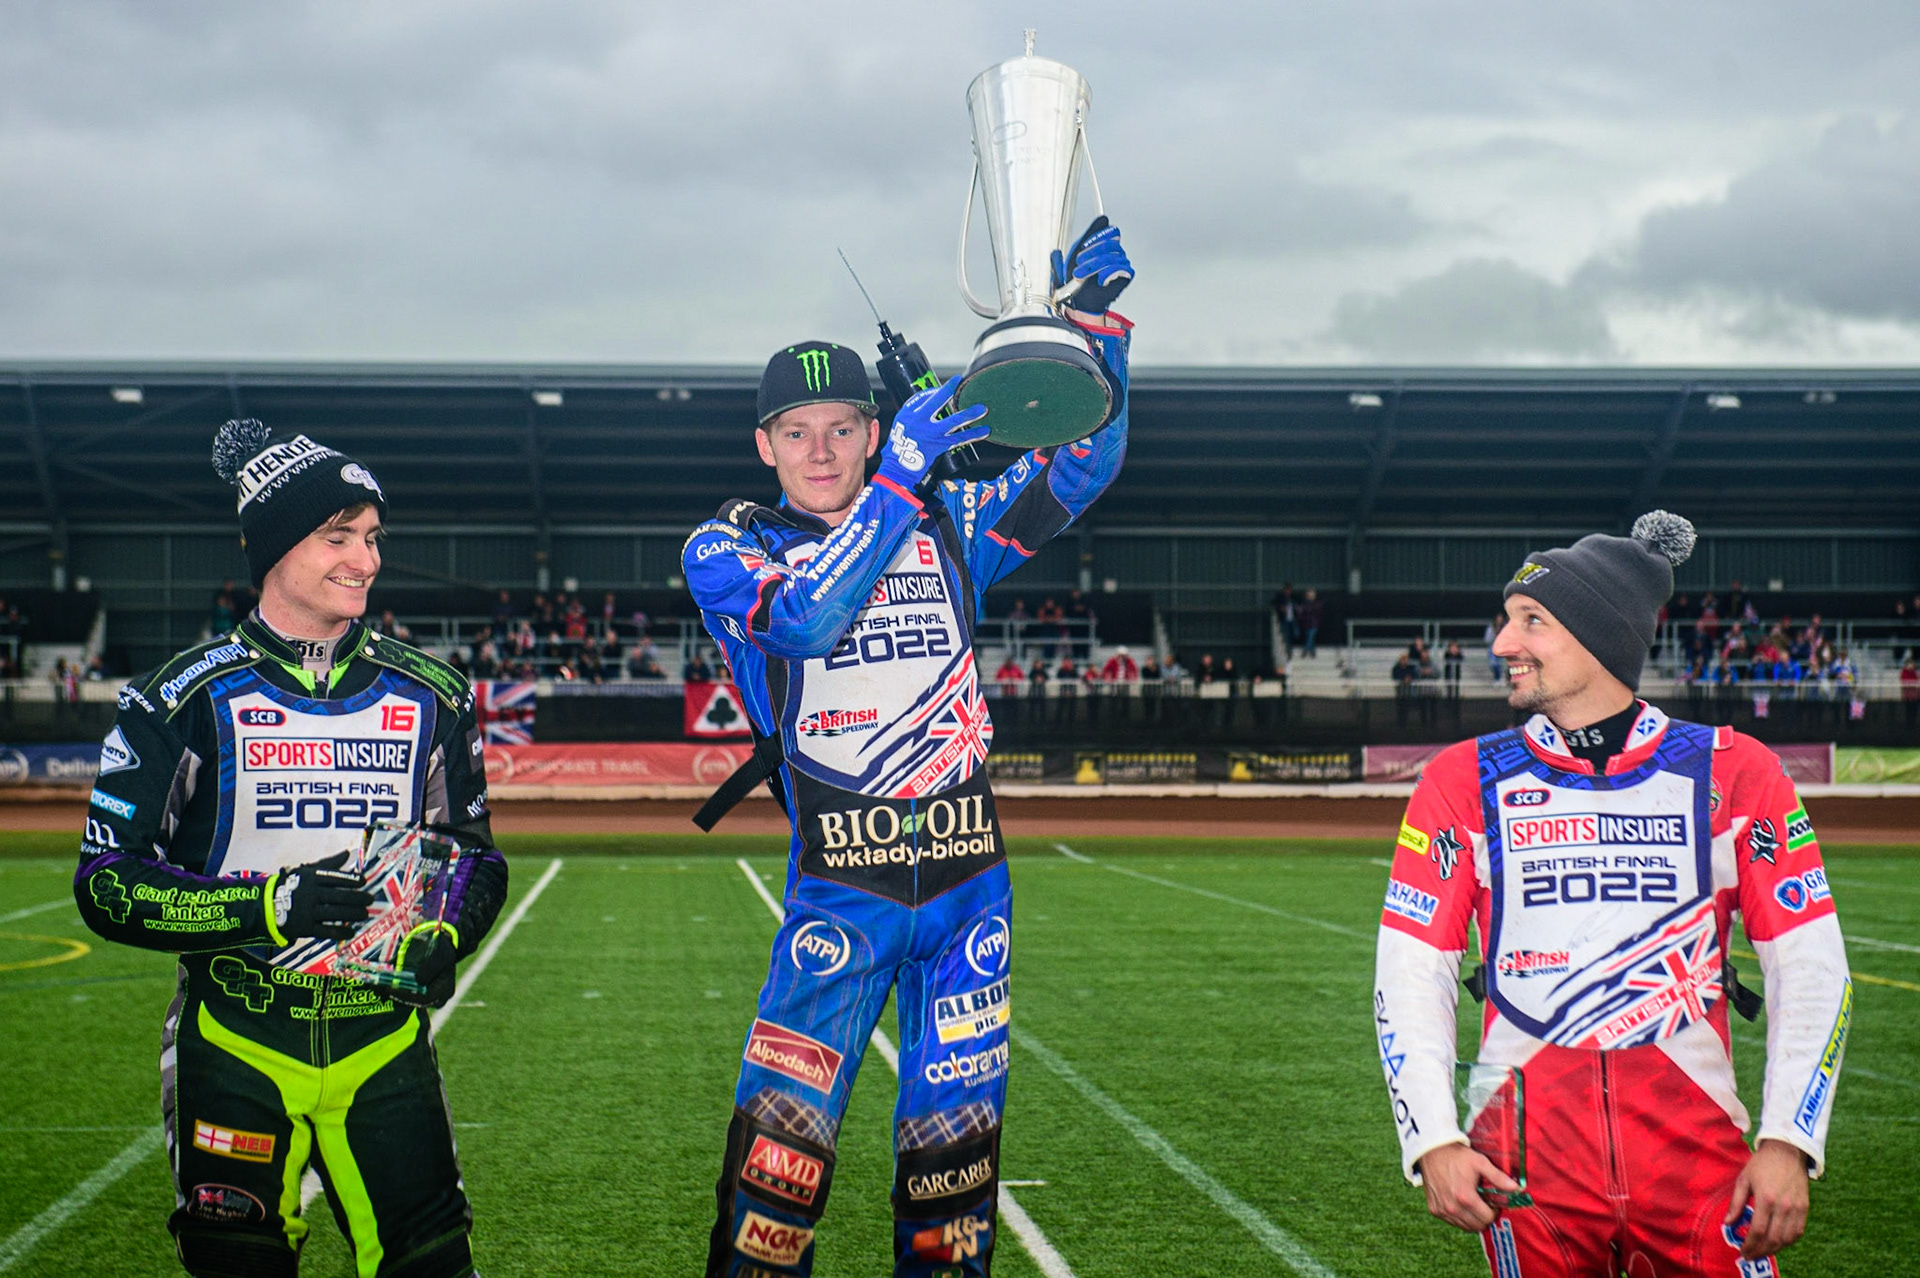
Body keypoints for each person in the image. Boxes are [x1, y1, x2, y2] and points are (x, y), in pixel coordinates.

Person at [683, 220, 1132, 1278]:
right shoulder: (727, 548)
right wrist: (905, 478)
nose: (823, 451)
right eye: (797, 432)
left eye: (843, 427)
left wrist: (1091, 331)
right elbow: (800, 624)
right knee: (775, 1179)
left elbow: (1084, 460)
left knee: (955, 1177)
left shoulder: (947, 525)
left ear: (873, 427)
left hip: (972, 883)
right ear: (765, 446)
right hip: (841, 889)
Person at [73, 419, 508, 1278]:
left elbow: (472, 856)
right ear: (272, 548)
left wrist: (445, 937)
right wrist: (266, 907)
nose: (366, 560)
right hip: (230, 1039)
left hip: (384, 1045)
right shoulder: (177, 699)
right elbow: (107, 884)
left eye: (373, 537)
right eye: (336, 536)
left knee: (431, 1264)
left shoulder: (433, 695)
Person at [1373, 512, 1850, 1278]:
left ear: (1600, 638)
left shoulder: (1737, 772)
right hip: (1522, 1171)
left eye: (1531, 621)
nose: (1503, 644)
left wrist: (1790, 1140)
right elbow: (1410, 971)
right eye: (1506, 621)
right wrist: (1432, 1137)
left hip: (1704, 1173)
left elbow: (1811, 965)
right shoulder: (1460, 781)